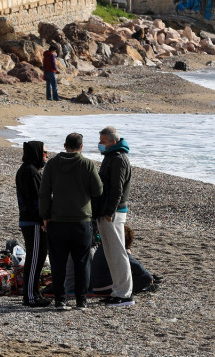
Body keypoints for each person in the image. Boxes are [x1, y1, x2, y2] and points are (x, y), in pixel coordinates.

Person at [39, 133, 103, 310]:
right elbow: (98, 190)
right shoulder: (87, 164)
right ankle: (81, 300)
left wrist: (45, 216)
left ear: (65, 145)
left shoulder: (52, 164)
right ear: (81, 147)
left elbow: (44, 193)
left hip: (57, 220)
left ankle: (60, 299)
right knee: (82, 262)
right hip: (81, 220)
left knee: (58, 262)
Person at [96, 126, 134, 306]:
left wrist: (110, 211)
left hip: (115, 212)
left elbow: (117, 189)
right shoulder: (110, 156)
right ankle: (117, 290)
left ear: (113, 141)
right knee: (110, 253)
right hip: (108, 210)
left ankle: (125, 294)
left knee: (118, 253)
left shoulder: (118, 159)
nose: (100, 144)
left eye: (103, 141)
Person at [16, 141, 51, 307]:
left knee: (37, 257)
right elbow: (36, 200)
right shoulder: (29, 171)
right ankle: (30, 296)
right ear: (36, 153)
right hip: (33, 222)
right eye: (44, 152)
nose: (46, 155)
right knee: (35, 258)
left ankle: (34, 293)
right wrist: (44, 218)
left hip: (32, 221)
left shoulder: (31, 170)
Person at [90, 225, 155, 295]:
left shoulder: (102, 247)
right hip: (106, 288)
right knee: (146, 278)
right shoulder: (117, 249)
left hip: (96, 287)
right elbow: (139, 268)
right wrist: (128, 253)